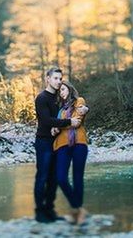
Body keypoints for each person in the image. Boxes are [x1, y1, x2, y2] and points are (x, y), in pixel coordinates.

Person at [33, 67, 81, 223]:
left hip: (58, 142)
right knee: (42, 176)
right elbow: (46, 121)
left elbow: (76, 104)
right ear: (47, 79)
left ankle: (50, 211)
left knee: (54, 178)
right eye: (55, 78)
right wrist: (68, 122)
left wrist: (85, 109)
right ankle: (40, 212)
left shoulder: (60, 98)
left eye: (60, 79)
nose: (59, 81)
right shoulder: (41, 98)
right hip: (44, 142)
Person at [52, 80, 89, 225]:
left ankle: (77, 212)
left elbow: (78, 119)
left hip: (79, 143)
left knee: (77, 177)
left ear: (69, 89)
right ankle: (77, 208)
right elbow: (57, 126)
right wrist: (55, 128)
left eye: (63, 89)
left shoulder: (78, 101)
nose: (61, 92)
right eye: (59, 91)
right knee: (61, 178)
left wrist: (84, 109)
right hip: (62, 145)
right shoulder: (60, 110)